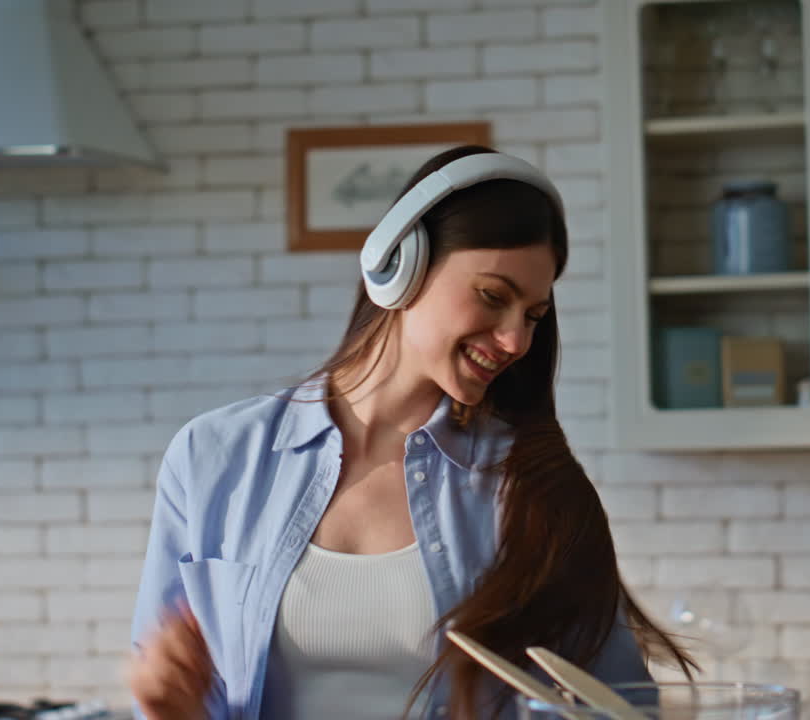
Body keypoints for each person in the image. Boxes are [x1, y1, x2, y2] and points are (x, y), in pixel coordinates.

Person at [127, 145, 698, 720]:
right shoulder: (213, 456)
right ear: (401, 265)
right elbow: (172, 690)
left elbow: (621, 710)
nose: (516, 341)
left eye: (532, 315)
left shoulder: (531, 486)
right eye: (493, 297)